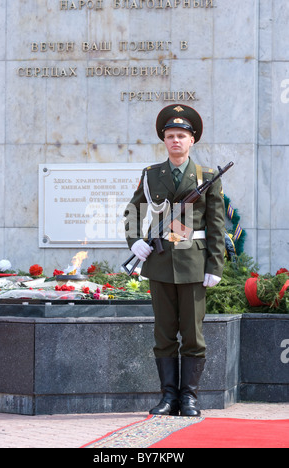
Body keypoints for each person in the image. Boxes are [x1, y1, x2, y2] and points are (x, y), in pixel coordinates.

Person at [124, 104, 225, 417]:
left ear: (191, 140)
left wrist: (215, 266)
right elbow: (132, 212)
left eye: (182, 135)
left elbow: (217, 223)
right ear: (164, 140)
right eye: (170, 136)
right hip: (160, 263)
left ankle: (189, 398)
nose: (176, 141)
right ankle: (168, 398)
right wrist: (136, 241)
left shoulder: (207, 176)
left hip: (193, 264)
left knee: (193, 335)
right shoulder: (152, 175)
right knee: (164, 333)